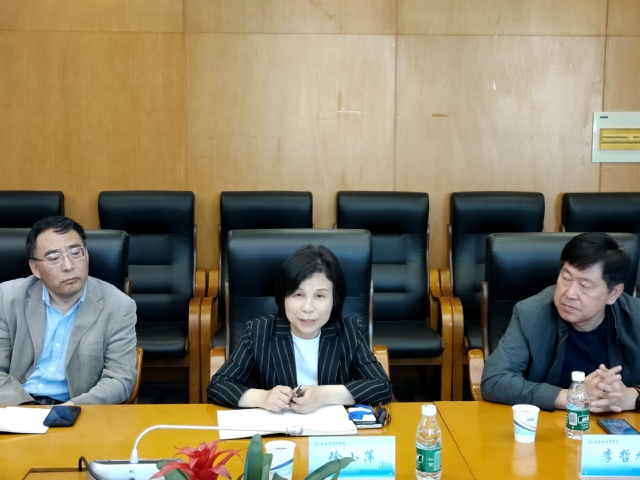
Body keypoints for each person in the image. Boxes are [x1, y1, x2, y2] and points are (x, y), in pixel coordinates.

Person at [207, 245, 392, 412]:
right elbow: (218, 386)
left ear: (335, 300)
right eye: (298, 295)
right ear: (283, 297)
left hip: (330, 433)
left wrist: (321, 395)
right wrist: (263, 398)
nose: (308, 307)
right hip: (277, 432)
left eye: (320, 296)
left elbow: (382, 386)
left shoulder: (349, 332)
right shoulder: (260, 332)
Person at [482, 232, 640, 412]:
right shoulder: (531, 314)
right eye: (566, 278)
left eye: (585, 285)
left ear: (613, 293)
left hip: (618, 424)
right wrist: (573, 396)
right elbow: (494, 381)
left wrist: (632, 397)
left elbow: (631, 398)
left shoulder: (636, 317)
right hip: (551, 423)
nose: (570, 293)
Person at [0, 216, 137, 406]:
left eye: (75, 252)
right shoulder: (6, 298)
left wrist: (70, 409)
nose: (68, 266)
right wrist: (27, 409)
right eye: (53, 258)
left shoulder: (118, 306)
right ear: (35, 268)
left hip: (78, 408)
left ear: (86, 255)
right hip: (16, 405)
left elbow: (120, 379)